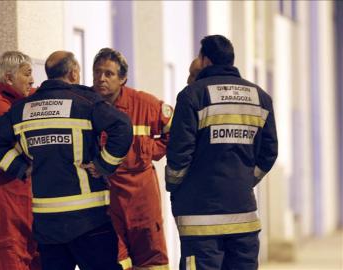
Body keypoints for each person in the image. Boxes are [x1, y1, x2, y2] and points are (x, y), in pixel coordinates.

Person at [0, 50, 133, 270]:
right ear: (73, 74)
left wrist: (20, 167)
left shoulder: (23, 108)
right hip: (89, 220)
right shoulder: (85, 102)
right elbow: (123, 126)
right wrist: (104, 164)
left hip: (46, 224)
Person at [165, 35, 278, 270]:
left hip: (199, 219)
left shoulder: (193, 95)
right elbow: (269, 152)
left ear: (205, 60)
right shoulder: (260, 98)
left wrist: (176, 186)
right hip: (243, 216)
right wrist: (246, 179)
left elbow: (179, 154)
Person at [92, 48, 172, 270]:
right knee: (114, 259)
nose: (101, 79)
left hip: (142, 198)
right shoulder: (84, 105)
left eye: (108, 74)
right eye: (97, 72)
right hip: (103, 197)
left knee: (152, 259)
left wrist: (148, 150)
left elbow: (176, 132)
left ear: (123, 78)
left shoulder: (145, 104)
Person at [0, 51, 40, 270]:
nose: (32, 80)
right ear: (8, 78)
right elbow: (32, 146)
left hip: (14, 211)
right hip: (4, 217)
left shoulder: (5, 102)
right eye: (27, 74)